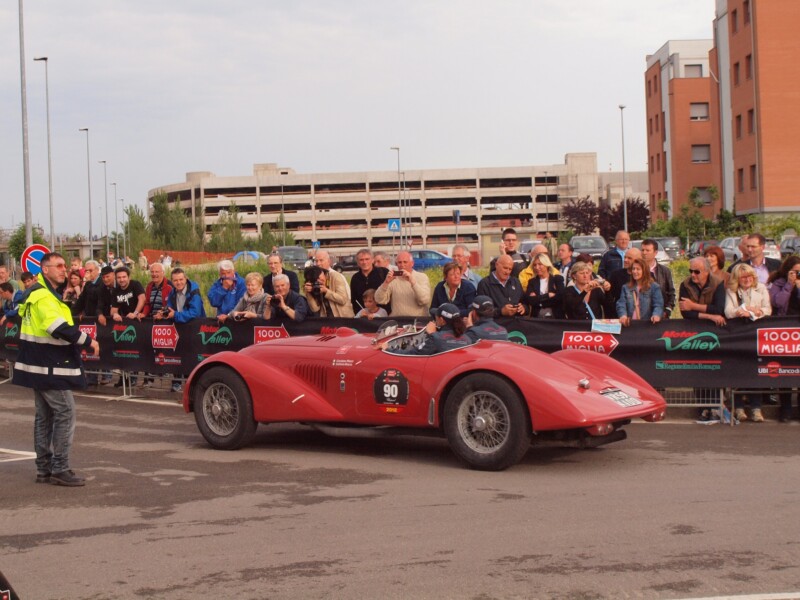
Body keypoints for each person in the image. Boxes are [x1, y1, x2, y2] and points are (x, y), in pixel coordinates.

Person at [12, 252, 100, 486]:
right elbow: (57, 327)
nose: (64, 269)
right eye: (58, 266)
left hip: (38, 364)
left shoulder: (38, 293)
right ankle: (60, 468)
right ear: (45, 270)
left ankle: (44, 469)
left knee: (45, 416)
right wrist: (88, 341)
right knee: (65, 412)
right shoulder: (43, 296)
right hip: (48, 366)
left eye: (64, 266)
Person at [724, 263, 772, 423]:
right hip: (738, 335)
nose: (747, 279)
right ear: (737, 278)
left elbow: (767, 309)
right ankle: (738, 408)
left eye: (749, 276)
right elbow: (728, 311)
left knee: (755, 371)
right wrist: (740, 311)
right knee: (739, 371)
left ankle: (756, 409)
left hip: (756, 335)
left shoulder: (761, 288)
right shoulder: (731, 291)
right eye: (743, 277)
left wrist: (755, 311)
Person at [385, 303, 471, 355]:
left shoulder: (436, 338)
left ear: (442, 320)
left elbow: (413, 354)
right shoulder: (468, 340)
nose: (434, 320)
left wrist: (388, 348)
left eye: (436, 318)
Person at [375, 251, 432, 317]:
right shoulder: (393, 278)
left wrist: (413, 282)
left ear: (412, 263)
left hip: (418, 319)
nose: (402, 265)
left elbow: (424, 300)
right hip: (398, 319)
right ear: (396, 264)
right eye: (399, 262)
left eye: (405, 262)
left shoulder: (422, 277)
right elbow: (379, 300)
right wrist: (386, 282)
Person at [304, 251, 355, 318]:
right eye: (316, 261)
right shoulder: (313, 278)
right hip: (327, 318)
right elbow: (315, 309)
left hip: (342, 317)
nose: (318, 263)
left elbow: (343, 300)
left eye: (321, 260)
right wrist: (308, 293)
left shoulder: (336, 276)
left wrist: (326, 291)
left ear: (329, 261)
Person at [678, 257, 726, 326]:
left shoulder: (718, 283)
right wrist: (710, 316)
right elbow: (685, 313)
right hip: (693, 324)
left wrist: (692, 306)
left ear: (707, 272)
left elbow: (718, 309)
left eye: (697, 272)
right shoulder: (685, 284)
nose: (693, 274)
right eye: (691, 271)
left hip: (714, 325)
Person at [616, 257, 664, 326]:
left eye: (638, 269)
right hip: (630, 325)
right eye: (633, 269)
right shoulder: (625, 287)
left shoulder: (654, 287)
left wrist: (656, 315)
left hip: (647, 325)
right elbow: (621, 304)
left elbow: (658, 305)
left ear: (644, 271)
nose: (635, 271)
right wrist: (623, 315)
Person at [640, 238, 675, 319]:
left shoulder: (665, 271)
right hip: (641, 316)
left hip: (661, 315)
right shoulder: (636, 271)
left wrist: (667, 310)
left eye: (647, 250)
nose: (644, 253)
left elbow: (671, 292)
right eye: (642, 250)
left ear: (655, 252)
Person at [523, 253, 565, 318]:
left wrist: (539, 301)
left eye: (540, 264)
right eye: (534, 265)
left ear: (546, 265)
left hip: (556, 318)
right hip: (537, 318)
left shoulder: (557, 279)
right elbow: (530, 300)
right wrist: (547, 295)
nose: (537, 267)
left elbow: (560, 298)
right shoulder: (532, 282)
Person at [349, 248, 389, 315]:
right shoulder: (355, 278)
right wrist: (359, 314)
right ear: (358, 262)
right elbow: (354, 300)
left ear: (372, 260)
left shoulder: (383, 273)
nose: (364, 262)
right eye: (361, 260)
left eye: (367, 259)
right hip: (364, 316)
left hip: (383, 315)